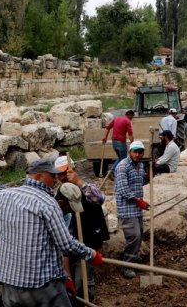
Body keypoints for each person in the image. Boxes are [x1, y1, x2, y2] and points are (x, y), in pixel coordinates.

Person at [0, 158, 104, 307]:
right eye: (52, 175)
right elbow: (66, 245)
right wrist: (91, 254)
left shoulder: (3, 195)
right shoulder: (47, 203)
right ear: (39, 176)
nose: (55, 180)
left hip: (9, 284)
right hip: (40, 286)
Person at [56, 182, 109, 301]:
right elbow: (64, 248)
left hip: (75, 250)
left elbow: (99, 198)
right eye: (70, 206)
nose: (72, 210)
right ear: (61, 203)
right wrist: (67, 278)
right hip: (57, 260)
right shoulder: (54, 216)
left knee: (82, 285)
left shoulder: (67, 214)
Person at [113, 141, 150, 279]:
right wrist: (138, 201)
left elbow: (141, 182)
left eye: (140, 152)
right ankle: (127, 266)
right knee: (134, 236)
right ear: (130, 152)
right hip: (126, 209)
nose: (137, 154)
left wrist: (150, 174)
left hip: (136, 208)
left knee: (139, 233)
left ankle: (133, 259)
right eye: (135, 151)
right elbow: (123, 189)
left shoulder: (140, 165)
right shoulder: (122, 166)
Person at [101, 110, 134, 176]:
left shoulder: (117, 118)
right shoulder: (127, 121)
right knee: (124, 159)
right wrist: (133, 144)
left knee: (120, 157)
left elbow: (108, 128)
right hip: (121, 143)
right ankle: (112, 171)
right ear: (130, 115)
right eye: (132, 117)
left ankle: (115, 172)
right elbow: (130, 134)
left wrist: (104, 137)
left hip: (114, 142)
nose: (132, 119)